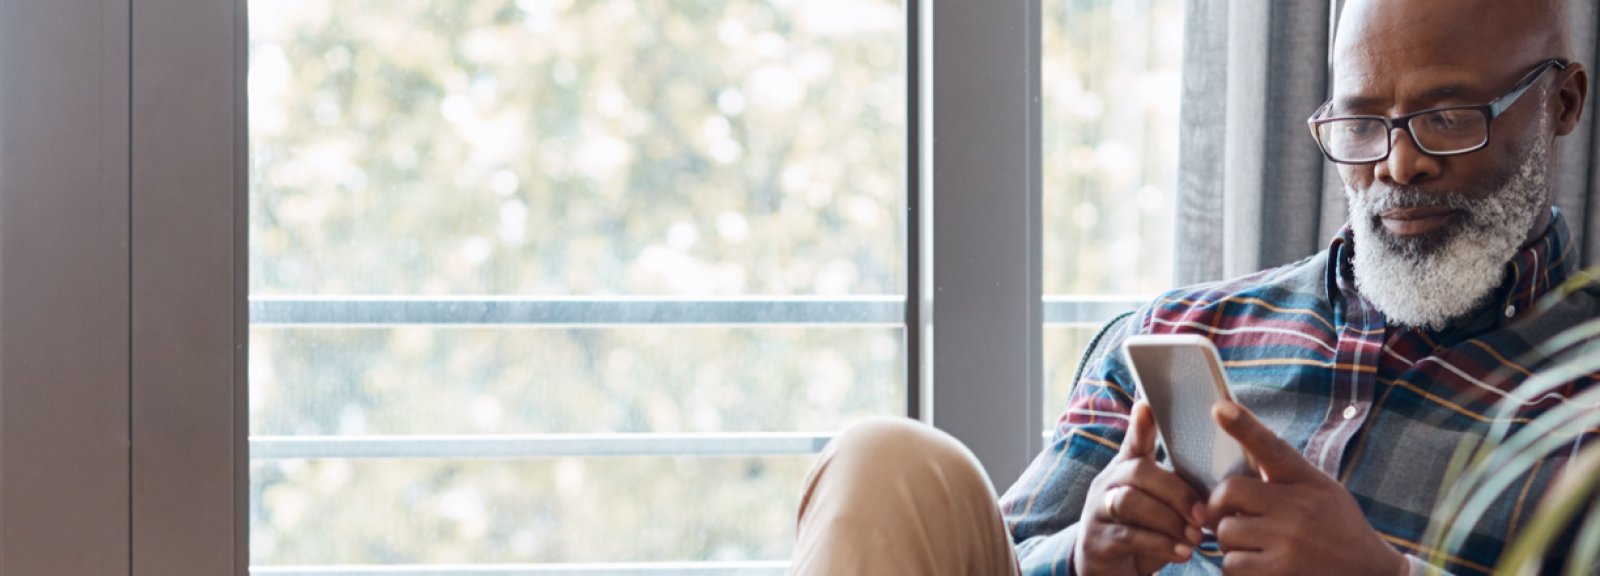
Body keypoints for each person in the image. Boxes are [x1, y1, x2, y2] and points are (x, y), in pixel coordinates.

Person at [784, 0, 1600, 574]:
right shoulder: (1179, 331)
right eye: (1361, 125)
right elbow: (977, 556)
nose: (1396, 164)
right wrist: (1086, 555)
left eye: (1449, 117)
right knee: (886, 459)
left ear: (1561, 102)